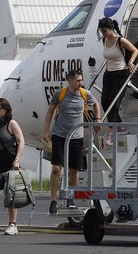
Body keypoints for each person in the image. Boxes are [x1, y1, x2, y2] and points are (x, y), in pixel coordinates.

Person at [42, 69, 102, 215]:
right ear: (69, 80)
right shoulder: (60, 94)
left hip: (76, 136)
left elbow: (95, 105)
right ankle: (53, 200)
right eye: (78, 80)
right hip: (59, 135)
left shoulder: (84, 93)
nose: (80, 83)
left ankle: (70, 197)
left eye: (81, 80)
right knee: (57, 168)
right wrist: (46, 130)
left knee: (74, 169)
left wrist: (97, 120)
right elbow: (50, 111)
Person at [0, 98, 26, 235]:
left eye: (0, 108)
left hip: (10, 159)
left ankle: (13, 224)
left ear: (6, 110)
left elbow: (21, 141)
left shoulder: (12, 124)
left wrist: (17, 160)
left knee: (10, 194)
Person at [97, 17, 138, 134]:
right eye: (101, 31)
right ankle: (119, 125)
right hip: (108, 73)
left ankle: (112, 132)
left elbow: (135, 50)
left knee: (114, 103)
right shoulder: (104, 40)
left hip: (121, 73)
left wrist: (131, 61)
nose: (103, 34)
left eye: (104, 31)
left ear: (111, 28)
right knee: (104, 102)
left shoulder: (120, 40)